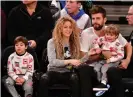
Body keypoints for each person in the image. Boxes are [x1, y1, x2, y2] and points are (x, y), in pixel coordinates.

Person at [77, 5, 132, 97]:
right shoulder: (86, 33)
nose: (95, 21)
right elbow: (83, 56)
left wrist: (127, 59)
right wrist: (102, 55)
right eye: (93, 18)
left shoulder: (111, 31)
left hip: (110, 65)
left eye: (98, 18)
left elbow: (128, 46)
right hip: (93, 66)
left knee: (113, 71)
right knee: (83, 69)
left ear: (104, 19)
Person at [37, 16, 82, 97]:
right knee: (44, 79)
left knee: (75, 79)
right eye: (65, 27)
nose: (68, 30)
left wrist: (88, 55)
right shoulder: (52, 42)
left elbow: (76, 61)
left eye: (70, 27)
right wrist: (69, 61)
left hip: (68, 72)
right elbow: (53, 62)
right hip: (53, 72)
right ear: (60, 28)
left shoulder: (75, 43)